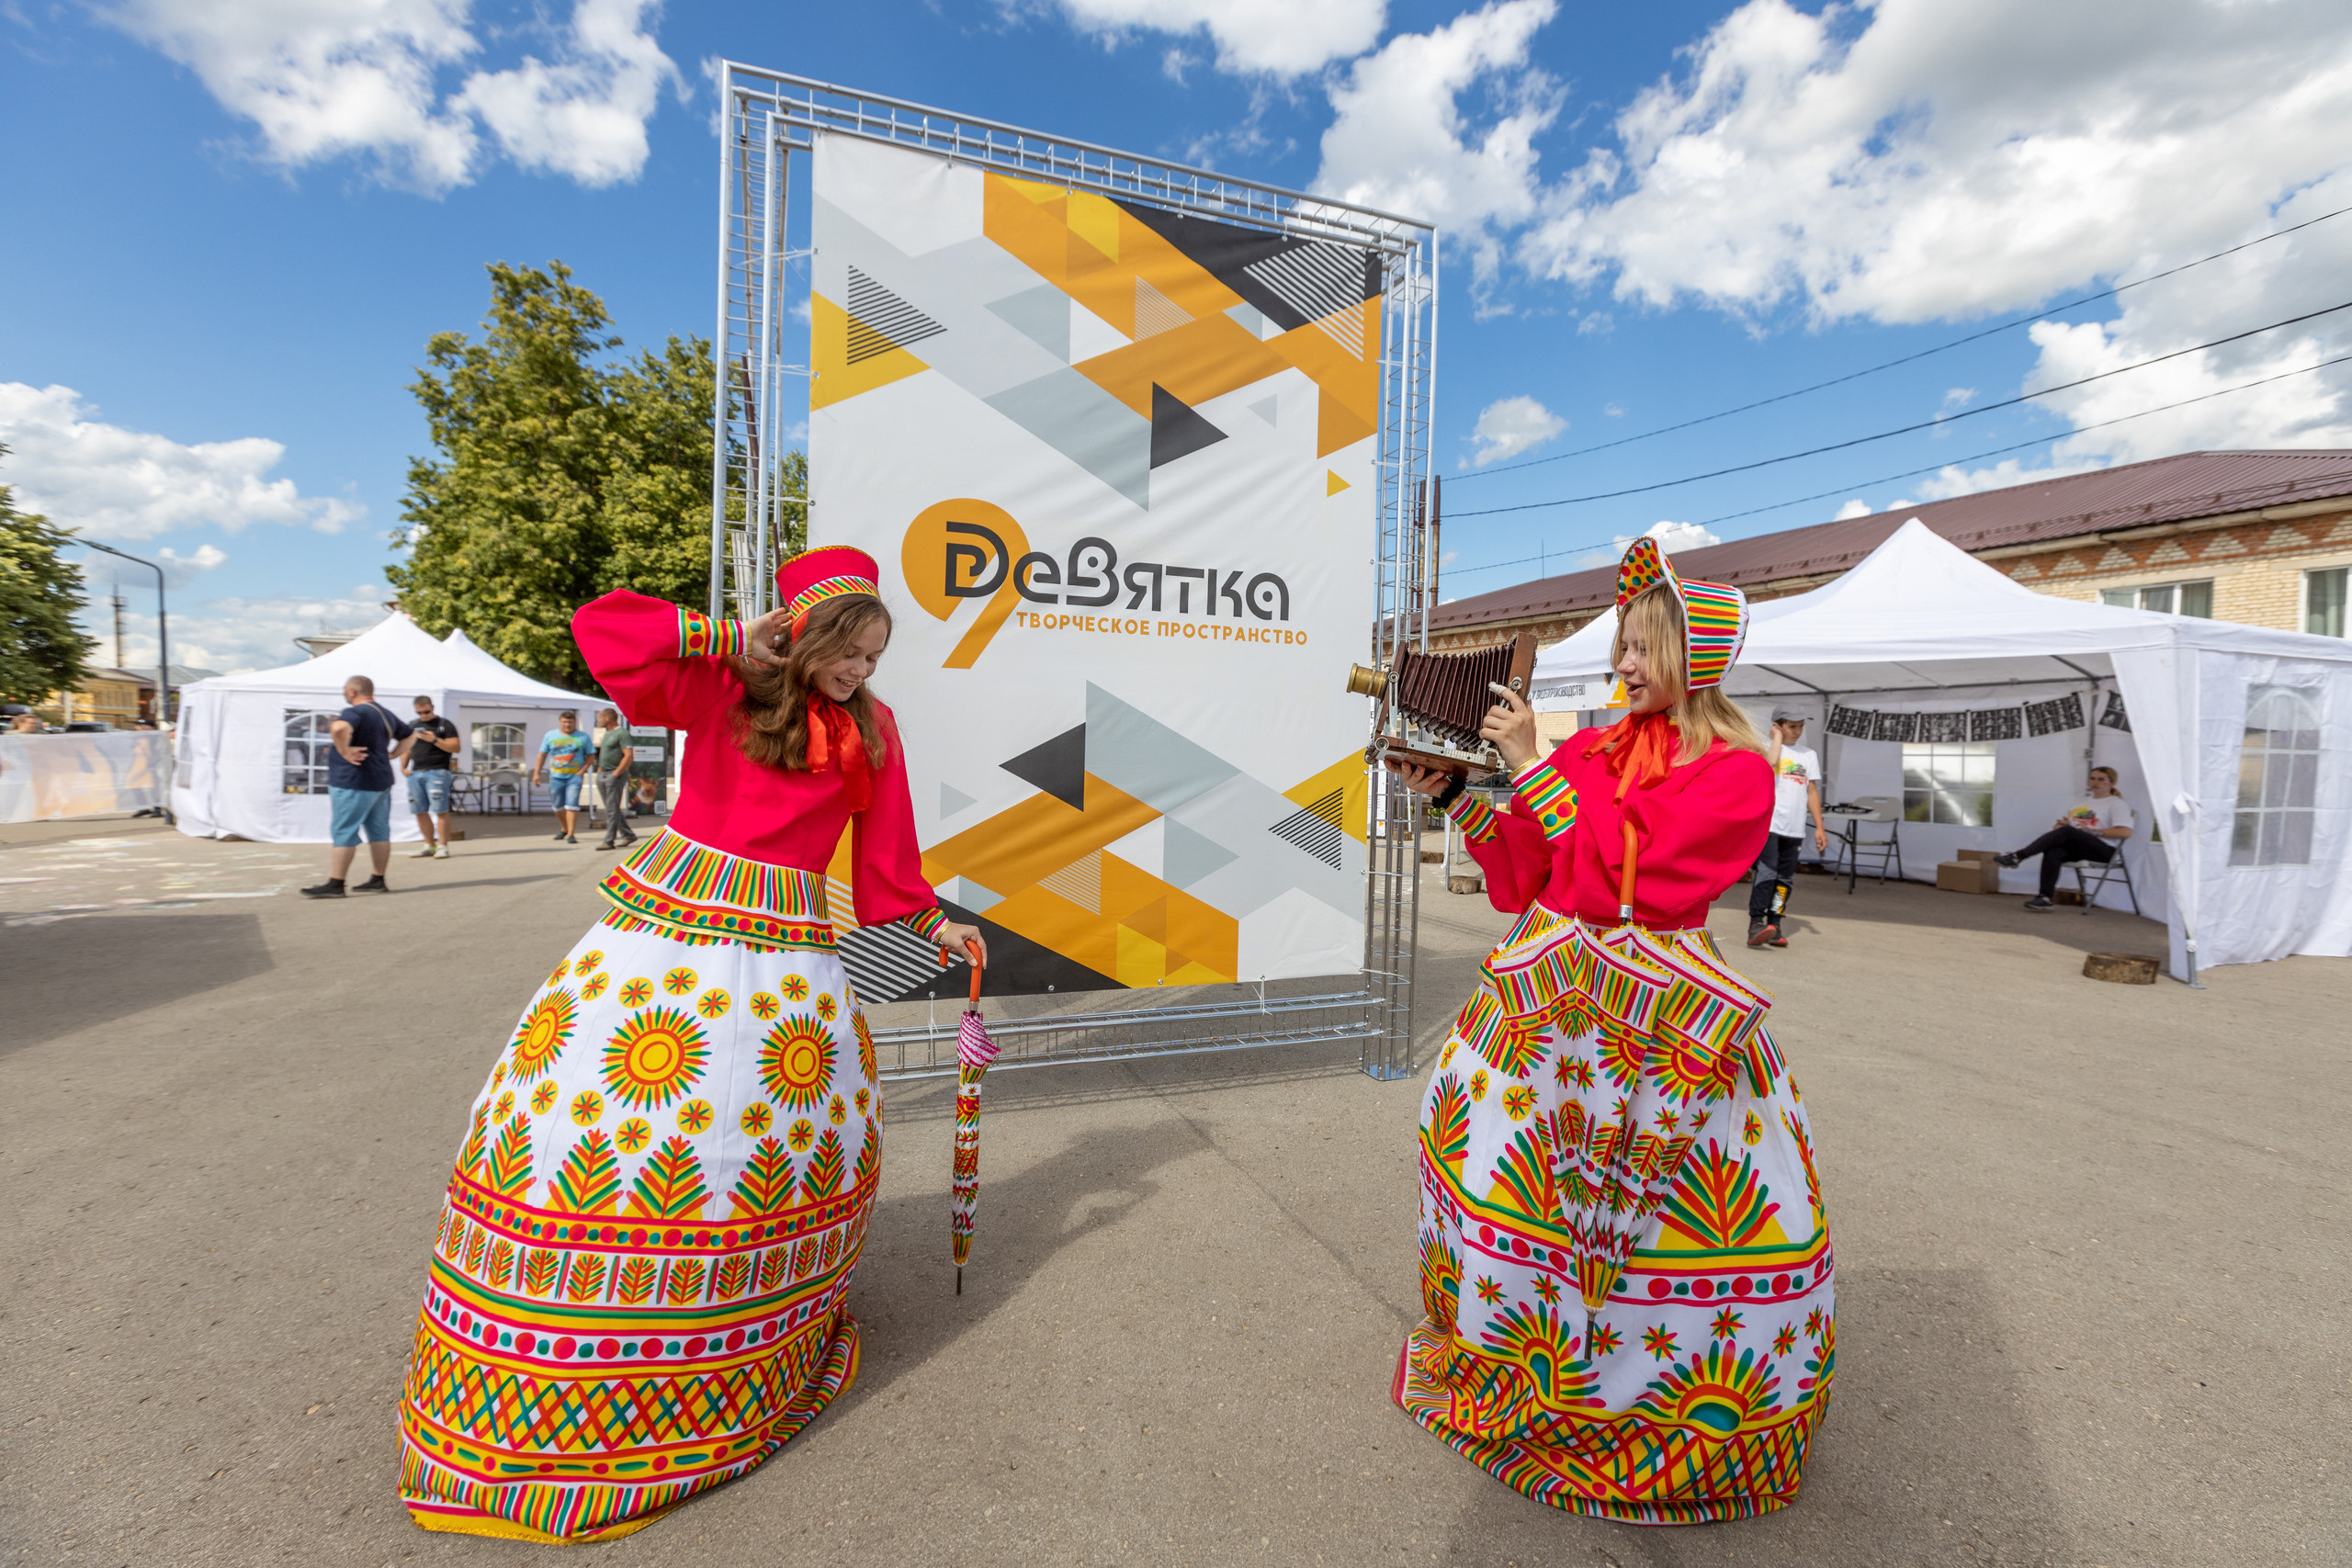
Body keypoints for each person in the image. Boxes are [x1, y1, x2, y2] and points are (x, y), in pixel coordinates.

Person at [395, 546, 989, 1542]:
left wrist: (937, 926)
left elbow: (885, 857)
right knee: (616, 1120)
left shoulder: (874, 728)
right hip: (669, 940)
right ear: (806, 636)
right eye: (850, 653)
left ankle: (730, 1357)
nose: (861, 673)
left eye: (875, 658)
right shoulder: (723, 681)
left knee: (760, 1138)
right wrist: (729, 637)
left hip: (794, 957)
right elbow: (602, 631)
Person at [1387, 537, 1835, 1523]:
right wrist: (1463, 794)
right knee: (1511, 1190)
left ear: (1694, 656)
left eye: (1640, 647)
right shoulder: (1590, 750)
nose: (1621, 664)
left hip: (1652, 1021)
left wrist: (1527, 767)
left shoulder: (1737, 772)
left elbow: (1639, 882)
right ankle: (1517, 1367)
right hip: (1543, 1002)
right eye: (1622, 646)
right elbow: (1535, 877)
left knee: (1653, 1217)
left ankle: (1649, 1405)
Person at [301, 675, 412, 898]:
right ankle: (378, 879)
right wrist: (392, 754)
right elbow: (411, 736)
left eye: (345, 689)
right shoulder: (385, 713)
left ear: (352, 692)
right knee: (379, 831)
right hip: (380, 781)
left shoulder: (356, 712)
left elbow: (340, 728)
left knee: (344, 831)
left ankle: (336, 884)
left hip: (355, 780)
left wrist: (344, 751)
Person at [1998, 765, 2133, 911]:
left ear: (2112, 783)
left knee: (2068, 831)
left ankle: (2018, 856)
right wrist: (2061, 826)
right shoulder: (2079, 801)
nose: (2096, 782)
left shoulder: (2117, 804)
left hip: (2104, 850)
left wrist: (2093, 832)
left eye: (2102, 779)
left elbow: (2125, 833)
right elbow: (2060, 830)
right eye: (2093, 778)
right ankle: (2045, 897)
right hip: (2077, 846)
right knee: (2054, 851)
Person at [1747, 706, 1827, 949]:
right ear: (1778, 726)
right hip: (1770, 825)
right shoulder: (1765, 747)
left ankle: (1775, 923)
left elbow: (1811, 791)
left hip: (1795, 829)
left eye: (1801, 726)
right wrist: (1777, 739)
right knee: (1767, 874)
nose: (1798, 731)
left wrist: (1819, 827)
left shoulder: (1808, 754)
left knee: (1785, 879)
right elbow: (1770, 765)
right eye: (1792, 726)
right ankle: (1756, 923)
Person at [401, 694, 461, 859]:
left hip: (438, 771)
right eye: (419, 713)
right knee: (419, 810)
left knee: (440, 809)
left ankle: (443, 846)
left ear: (432, 707)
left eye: (426, 712)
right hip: (416, 772)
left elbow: (456, 747)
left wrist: (434, 739)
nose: (423, 716)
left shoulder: (444, 725)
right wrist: (403, 766)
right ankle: (429, 844)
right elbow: (406, 748)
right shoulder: (413, 726)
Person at [532, 710, 594, 843]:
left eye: (570, 722)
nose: (567, 725)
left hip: (574, 776)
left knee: (572, 805)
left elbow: (591, 756)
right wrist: (536, 773)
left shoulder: (583, 737)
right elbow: (542, 755)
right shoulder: (550, 735)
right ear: (560, 722)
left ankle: (571, 834)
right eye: (565, 722)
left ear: (574, 723)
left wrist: (582, 771)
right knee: (557, 805)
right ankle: (564, 828)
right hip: (556, 776)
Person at [593, 705, 639, 851]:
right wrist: (600, 770)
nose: (598, 720)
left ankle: (609, 841)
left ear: (607, 718)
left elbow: (629, 755)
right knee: (611, 808)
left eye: (600, 718)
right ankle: (628, 834)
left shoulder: (622, 733)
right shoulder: (607, 733)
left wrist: (616, 773)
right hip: (604, 774)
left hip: (614, 775)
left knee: (612, 810)